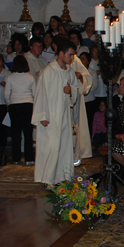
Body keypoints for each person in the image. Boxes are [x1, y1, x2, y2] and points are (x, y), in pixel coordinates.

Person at [33, 39, 80, 185]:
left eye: (73, 55)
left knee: (64, 147)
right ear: (61, 53)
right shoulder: (49, 71)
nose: (72, 58)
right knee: (51, 148)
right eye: (70, 55)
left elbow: (75, 89)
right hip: (50, 116)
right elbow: (41, 93)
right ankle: (48, 179)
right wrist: (42, 115)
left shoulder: (69, 71)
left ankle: (61, 177)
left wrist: (70, 91)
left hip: (64, 115)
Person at [4, 55, 37, 165]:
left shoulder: (10, 77)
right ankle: (29, 158)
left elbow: (6, 94)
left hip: (14, 106)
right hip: (28, 105)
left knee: (16, 133)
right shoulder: (30, 77)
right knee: (28, 133)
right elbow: (35, 93)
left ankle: (16, 158)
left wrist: (9, 103)